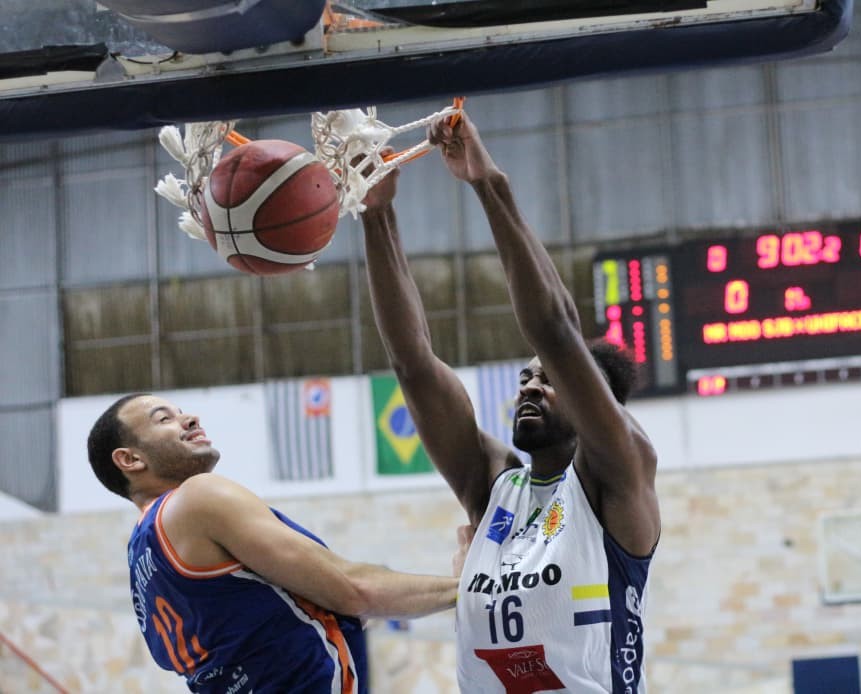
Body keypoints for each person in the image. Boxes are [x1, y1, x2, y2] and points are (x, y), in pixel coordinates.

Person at [360, 111, 660, 692]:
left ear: (596, 400)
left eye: (548, 379)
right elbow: (414, 363)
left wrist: (488, 185)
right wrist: (376, 213)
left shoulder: (621, 473)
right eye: (525, 377)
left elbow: (555, 330)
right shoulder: (495, 485)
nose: (529, 385)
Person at [87, 393, 459, 693]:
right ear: (130, 459)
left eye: (181, 411)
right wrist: (475, 586)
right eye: (163, 418)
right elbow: (353, 590)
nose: (191, 418)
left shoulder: (142, 556)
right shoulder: (197, 497)